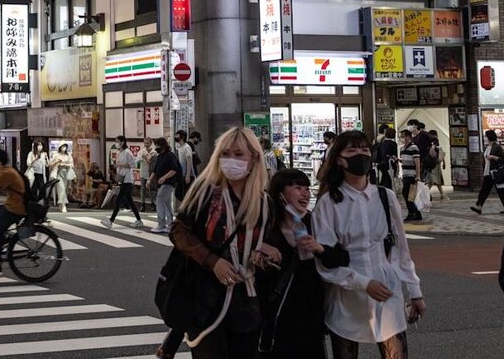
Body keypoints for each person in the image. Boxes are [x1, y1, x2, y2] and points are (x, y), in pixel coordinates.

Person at [165, 127, 279, 357]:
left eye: (239, 155)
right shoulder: (205, 191)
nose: (231, 161)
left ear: (254, 158)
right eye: (225, 154)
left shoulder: (264, 202)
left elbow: (263, 243)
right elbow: (178, 231)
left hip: (246, 303)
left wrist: (263, 256)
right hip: (205, 300)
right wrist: (213, 261)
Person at [313, 130, 425, 359]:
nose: (360, 155)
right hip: (346, 294)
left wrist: (415, 291)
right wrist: (363, 283)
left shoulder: (385, 197)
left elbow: (400, 249)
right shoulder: (328, 202)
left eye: (364, 149)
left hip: (386, 288)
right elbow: (326, 260)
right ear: (338, 159)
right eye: (351, 150)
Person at [258, 168, 350, 358]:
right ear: (280, 193)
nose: (305, 193)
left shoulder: (314, 222)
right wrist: (260, 250)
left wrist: (320, 248)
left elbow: (342, 258)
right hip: (278, 310)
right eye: (297, 187)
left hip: (310, 311)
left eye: (307, 188)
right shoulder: (267, 225)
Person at [100, 135, 143, 229]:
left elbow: (133, 164)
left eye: (117, 141)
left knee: (119, 200)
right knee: (130, 200)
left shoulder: (128, 152)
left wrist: (120, 164)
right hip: (122, 178)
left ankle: (111, 221)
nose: (116, 143)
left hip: (127, 179)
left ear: (122, 142)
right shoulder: (120, 152)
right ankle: (139, 220)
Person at [149, 137, 178, 234]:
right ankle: (170, 224)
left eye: (157, 145)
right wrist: (150, 179)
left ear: (162, 145)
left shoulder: (170, 155)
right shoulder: (160, 156)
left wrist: (164, 177)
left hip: (169, 183)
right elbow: (155, 170)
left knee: (160, 199)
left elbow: (174, 169)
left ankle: (161, 224)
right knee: (166, 202)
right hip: (161, 183)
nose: (156, 147)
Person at [471, 129, 504, 215]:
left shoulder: (497, 147)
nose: (485, 138)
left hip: (495, 173)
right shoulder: (487, 147)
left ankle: (479, 206)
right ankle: (478, 206)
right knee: (484, 191)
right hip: (488, 172)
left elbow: (502, 159)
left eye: (486, 136)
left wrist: (493, 157)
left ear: (489, 137)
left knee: (501, 191)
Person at [398, 129, 423, 222]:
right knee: (408, 195)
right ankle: (416, 213)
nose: (401, 138)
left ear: (408, 136)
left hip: (412, 175)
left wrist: (418, 175)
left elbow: (417, 162)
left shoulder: (414, 147)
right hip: (405, 174)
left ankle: (412, 213)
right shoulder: (402, 148)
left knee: (408, 194)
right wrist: (398, 160)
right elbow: (405, 160)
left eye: (403, 136)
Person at [48, 143, 74, 213]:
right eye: (62, 146)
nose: (64, 148)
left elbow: (72, 164)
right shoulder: (56, 155)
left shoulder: (68, 155)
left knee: (65, 189)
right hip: (58, 172)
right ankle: (63, 205)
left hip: (66, 173)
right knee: (61, 188)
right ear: (60, 147)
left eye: (65, 146)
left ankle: (61, 203)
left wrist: (65, 164)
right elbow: (50, 164)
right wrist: (57, 162)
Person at [426, 130, 447, 200]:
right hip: (434, 165)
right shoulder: (432, 144)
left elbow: (441, 154)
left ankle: (442, 194)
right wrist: (444, 163)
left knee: (437, 181)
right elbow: (441, 155)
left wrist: (444, 163)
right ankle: (426, 192)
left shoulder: (433, 144)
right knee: (433, 181)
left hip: (435, 165)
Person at [175, 130, 194, 202]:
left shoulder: (187, 147)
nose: (175, 137)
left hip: (186, 174)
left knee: (185, 194)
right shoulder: (180, 147)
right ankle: (185, 209)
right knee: (178, 193)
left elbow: (189, 161)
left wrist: (188, 175)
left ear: (182, 137)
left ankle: (186, 210)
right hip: (181, 174)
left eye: (177, 136)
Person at [138, 137, 157, 212]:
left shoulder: (154, 152)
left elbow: (150, 161)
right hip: (143, 172)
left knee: (152, 189)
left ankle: (152, 204)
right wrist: (144, 158)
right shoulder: (141, 151)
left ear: (151, 143)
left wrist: (145, 158)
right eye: (145, 143)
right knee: (143, 189)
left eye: (147, 143)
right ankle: (142, 204)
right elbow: (138, 159)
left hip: (151, 172)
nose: (146, 145)